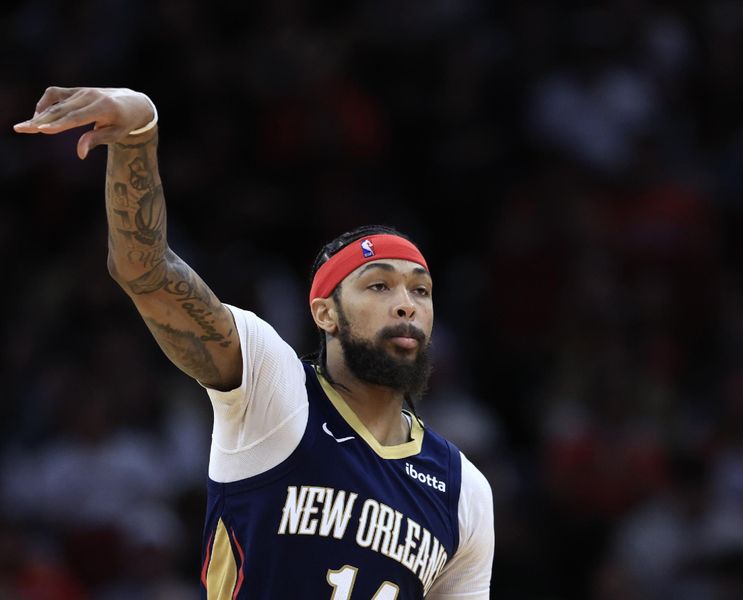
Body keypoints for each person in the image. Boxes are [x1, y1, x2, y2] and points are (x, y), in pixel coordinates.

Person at [14, 87, 494, 599]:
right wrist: (137, 135)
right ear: (324, 312)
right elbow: (145, 272)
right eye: (379, 285)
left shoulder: (465, 491)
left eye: (420, 290)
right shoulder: (275, 386)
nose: (407, 305)